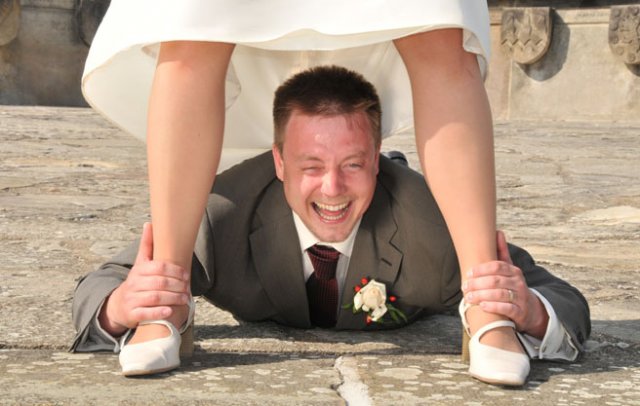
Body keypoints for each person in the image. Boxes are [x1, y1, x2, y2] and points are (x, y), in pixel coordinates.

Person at [72, 66, 591, 386]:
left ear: (376, 160)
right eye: (311, 165)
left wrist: (531, 312)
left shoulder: (435, 225)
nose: (333, 187)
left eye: (353, 164)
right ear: (279, 162)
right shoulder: (220, 214)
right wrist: (120, 308)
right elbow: (101, 282)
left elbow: (561, 296)